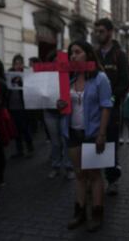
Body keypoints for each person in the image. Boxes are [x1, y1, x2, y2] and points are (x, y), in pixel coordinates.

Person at [60, 40, 112, 232]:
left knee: (95, 175)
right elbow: (65, 105)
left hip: (93, 134)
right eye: (70, 53)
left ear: (88, 54)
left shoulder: (100, 79)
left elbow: (106, 106)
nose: (73, 56)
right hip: (73, 132)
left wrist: (102, 134)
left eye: (77, 52)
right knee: (80, 174)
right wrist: (60, 105)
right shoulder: (70, 80)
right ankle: (79, 212)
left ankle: (97, 213)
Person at [94, 18, 129, 195]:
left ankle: (112, 179)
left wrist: (113, 97)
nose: (98, 34)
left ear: (109, 32)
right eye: (97, 31)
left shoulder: (119, 55)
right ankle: (94, 179)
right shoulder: (94, 54)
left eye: (101, 31)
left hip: (113, 108)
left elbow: (126, 80)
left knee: (110, 143)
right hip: (95, 109)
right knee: (94, 140)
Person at [43, 52, 74, 180]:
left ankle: (68, 167)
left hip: (65, 112)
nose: (57, 65)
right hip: (50, 112)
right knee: (55, 142)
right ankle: (55, 166)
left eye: (60, 62)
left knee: (66, 140)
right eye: (54, 62)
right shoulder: (45, 77)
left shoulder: (71, 77)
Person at [8, 54, 34, 158]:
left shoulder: (26, 75)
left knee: (25, 128)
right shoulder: (9, 74)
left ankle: (30, 147)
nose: (18, 66)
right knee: (16, 130)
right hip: (12, 106)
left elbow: (30, 89)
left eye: (20, 63)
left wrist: (22, 81)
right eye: (16, 63)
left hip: (23, 106)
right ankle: (20, 150)